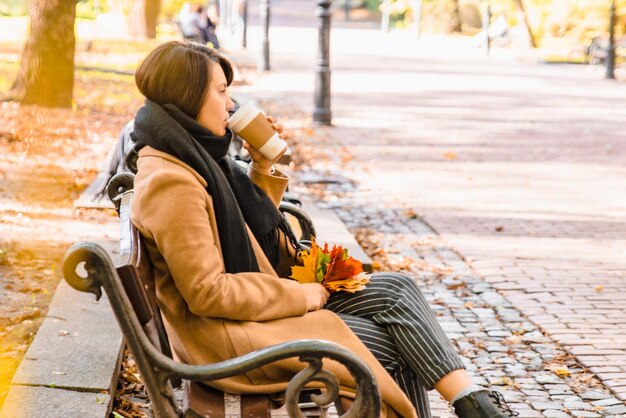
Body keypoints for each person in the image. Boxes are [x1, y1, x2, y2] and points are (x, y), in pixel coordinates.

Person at [129, 40, 518, 418]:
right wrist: (303, 294)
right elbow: (209, 293)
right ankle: (475, 409)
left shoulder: (192, 156)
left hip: (247, 318)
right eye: (221, 91)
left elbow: (249, 233)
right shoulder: (172, 180)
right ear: (187, 96)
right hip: (230, 343)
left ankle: (473, 401)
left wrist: (266, 163)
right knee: (395, 346)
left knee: (396, 290)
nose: (230, 104)